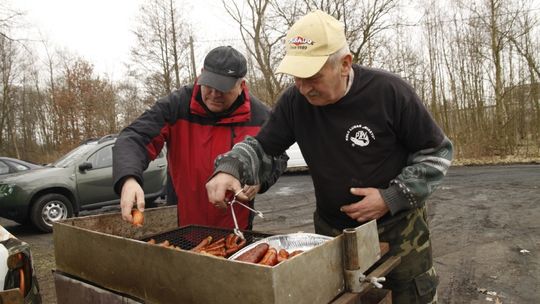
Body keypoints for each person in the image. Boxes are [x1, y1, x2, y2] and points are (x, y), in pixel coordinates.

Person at [206, 10, 453, 304]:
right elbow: (262, 148)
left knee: (412, 296)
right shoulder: (295, 102)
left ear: (345, 64)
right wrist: (230, 168)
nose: (303, 86)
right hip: (332, 234)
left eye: (313, 76)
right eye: (297, 76)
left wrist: (391, 197)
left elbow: (436, 154)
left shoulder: (389, 93)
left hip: (399, 233)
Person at [113, 46, 287, 230]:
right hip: (182, 225)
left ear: (241, 84)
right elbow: (134, 137)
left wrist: (260, 181)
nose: (214, 94)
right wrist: (129, 178)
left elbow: (279, 157)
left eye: (223, 88)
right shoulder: (176, 106)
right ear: (202, 74)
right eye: (209, 85)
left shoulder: (261, 116)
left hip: (237, 227)